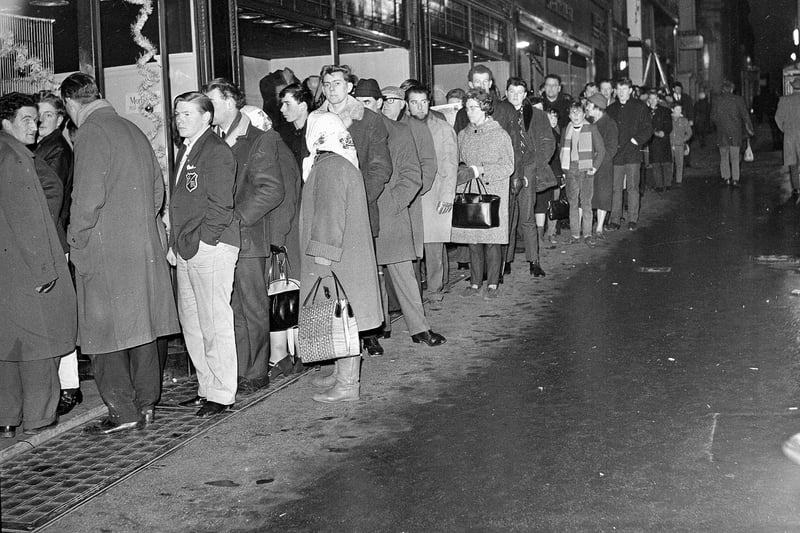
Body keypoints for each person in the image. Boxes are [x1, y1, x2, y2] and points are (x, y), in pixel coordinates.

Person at [60, 73, 179, 434]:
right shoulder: (133, 129)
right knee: (142, 329)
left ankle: (122, 411)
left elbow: (86, 199)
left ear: (69, 103)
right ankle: (146, 405)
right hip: (141, 248)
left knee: (104, 334)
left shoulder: (92, 133)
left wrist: (75, 242)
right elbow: (158, 192)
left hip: (105, 251)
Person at [203, 78, 288, 394]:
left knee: (251, 307)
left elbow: (272, 190)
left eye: (210, 101)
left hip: (246, 238)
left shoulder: (257, 139)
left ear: (229, 101)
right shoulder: (212, 139)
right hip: (220, 238)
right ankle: (239, 368)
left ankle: (256, 371)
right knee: (233, 308)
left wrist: (235, 219)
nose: (206, 108)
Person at [0, 92, 77, 439]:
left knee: (8, 347)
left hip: (7, 269)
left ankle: (7, 416)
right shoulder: (17, 159)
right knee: (39, 344)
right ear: (6, 123)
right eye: (26, 120)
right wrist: (45, 271)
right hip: (27, 268)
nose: (35, 126)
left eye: (37, 119)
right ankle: (39, 418)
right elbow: (30, 222)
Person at [355, 79, 445, 348]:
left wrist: (395, 203)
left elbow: (413, 175)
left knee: (403, 273)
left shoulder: (399, 131)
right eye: (358, 102)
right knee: (369, 275)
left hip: (390, 214)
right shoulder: (348, 130)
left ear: (379, 103)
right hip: (361, 212)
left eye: (368, 102)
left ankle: (420, 328)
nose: (363, 108)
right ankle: (373, 332)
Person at [300, 112, 383, 403]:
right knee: (344, 316)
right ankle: (341, 373)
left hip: (337, 259)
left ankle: (348, 384)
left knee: (343, 316)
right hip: (347, 257)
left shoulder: (330, 166)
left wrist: (323, 259)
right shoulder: (339, 162)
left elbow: (329, 215)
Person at [168, 91, 239, 418]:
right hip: (187, 246)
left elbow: (221, 206)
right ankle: (206, 386)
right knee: (193, 323)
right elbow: (181, 203)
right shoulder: (186, 149)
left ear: (206, 117)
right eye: (178, 114)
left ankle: (223, 393)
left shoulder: (216, 151)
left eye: (186, 114)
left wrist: (205, 242)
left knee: (214, 322)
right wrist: (174, 245)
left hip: (209, 246)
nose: (180, 119)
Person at [34, 91, 82, 416]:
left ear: (61, 118)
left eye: (48, 116)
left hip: (54, 242)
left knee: (58, 316)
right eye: (37, 116)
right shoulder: (42, 147)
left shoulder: (56, 150)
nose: (41, 122)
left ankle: (69, 387)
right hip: (52, 242)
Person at [313, 64, 392, 239]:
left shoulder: (368, 120)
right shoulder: (315, 119)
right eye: (327, 84)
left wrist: (360, 199)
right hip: (323, 207)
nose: (331, 89)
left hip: (358, 208)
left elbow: (381, 169)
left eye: (337, 83)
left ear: (349, 87)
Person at [452, 88, 514, 300]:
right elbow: (457, 162)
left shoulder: (500, 134)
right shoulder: (462, 135)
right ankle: (475, 282)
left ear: (485, 108)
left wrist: (481, 170)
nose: (468, 112)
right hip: (470, 193)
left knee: (491, 241)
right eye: (467, 108)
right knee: (473, 241)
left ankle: (493, 284)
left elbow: (508, 167)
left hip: (492, 193)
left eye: (473, 108)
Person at [406, 85, 458, 302]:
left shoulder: (442, 129)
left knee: (434, 244)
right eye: (414, 102)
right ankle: (419, 289)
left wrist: (447, 196)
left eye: (423, 102)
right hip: (411, 193)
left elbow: (450, 164)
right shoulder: (401, 127)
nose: (419, 107)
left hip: (435, 192)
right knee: (415, 245)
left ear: (429, 103)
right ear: (407, 105)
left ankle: (435, 289)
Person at [606, 78, 653, 231]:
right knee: (616, 188)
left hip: (632, 153)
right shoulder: (611, 109)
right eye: (619, 89)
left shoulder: (640, 107)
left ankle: (632, 218)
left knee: (633, 187)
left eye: (624, 89)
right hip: (617, 154)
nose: (621, 93)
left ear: (631, 90)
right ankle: (615, 219)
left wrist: (635, 141)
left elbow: (647, 129)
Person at [518, 95, 556, 275]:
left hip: (529, 169)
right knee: (508, 218)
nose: (515, 96)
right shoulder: (503, 111)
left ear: (525, 94)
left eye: (519, 92)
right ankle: (506, 262)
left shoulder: (537, 115)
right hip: (509, 170)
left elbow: (548, 141)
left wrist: (538, 164)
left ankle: (534, 260)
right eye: (512, 92)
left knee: (527, 215)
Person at [559, 100, 605, 245]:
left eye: (579, 112)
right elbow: (562, 150)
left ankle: (587, 235)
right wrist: (564, 170)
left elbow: (601, 151)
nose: (576, 115)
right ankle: (574, 235)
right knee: (573, 203)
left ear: (584, 114)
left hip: (586, 170)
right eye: (573, 112)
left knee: (586, 203)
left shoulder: (591, 128)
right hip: (570, 169)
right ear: (569, 115)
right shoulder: (567, 129)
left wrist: (595, 167)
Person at [585, 93, 618, 240]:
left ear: (597, 108)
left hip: (603, 166)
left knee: (602, 196)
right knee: (590, 196)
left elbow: (611, 149)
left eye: (589, 106)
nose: (586, 108)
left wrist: (598, 163)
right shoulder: (589, 123)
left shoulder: (610, 124)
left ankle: (599, 228)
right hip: (589, 164)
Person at [711, 80, 754, 188]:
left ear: (722, 89)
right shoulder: (738, 100)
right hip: (735, 133)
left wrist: (720, 124)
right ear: (731, 89)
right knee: (735, 157)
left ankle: (726, 178)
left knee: (724, 156)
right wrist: (750, 128)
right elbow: (745, 115)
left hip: (722, 133)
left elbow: (713, 117)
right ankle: (735, 179)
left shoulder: (717, 101)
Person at [276, 83, 313, 171]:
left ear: (302, 107)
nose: (282, 109)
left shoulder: (316, 131)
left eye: (287, 104)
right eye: (282, 104)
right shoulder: (278, 133)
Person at [774, 78, 800, 196]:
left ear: (793, 87)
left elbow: (778, 118)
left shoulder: (784, 100)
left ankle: (796, 188)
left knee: (793, 163)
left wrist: (784, 129)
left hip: (790, 136)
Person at [645, 90, 673, 192]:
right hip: (653, 141)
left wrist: (664, 132)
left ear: (658, 99)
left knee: (666, 163)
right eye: (650, 99)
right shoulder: (646, 112)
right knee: (656, 163)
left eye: (654, 98)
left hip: (664, 139)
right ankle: (659, 185)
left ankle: (668, 183)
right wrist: (654, 133)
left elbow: (669, 125)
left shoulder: (665, 111)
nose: (652, 101)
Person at [670, 103, 692, 188]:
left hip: (680, 145)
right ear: (673, 110)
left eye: (680, 109)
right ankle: (670, 179)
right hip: (670, 144)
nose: (679, 111)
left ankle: (679, 180)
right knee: (670, 162)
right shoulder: (669, 119)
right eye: (677, 109)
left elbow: (689, 132)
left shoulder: (684, 120)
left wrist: (683, 140)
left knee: (679, 163)